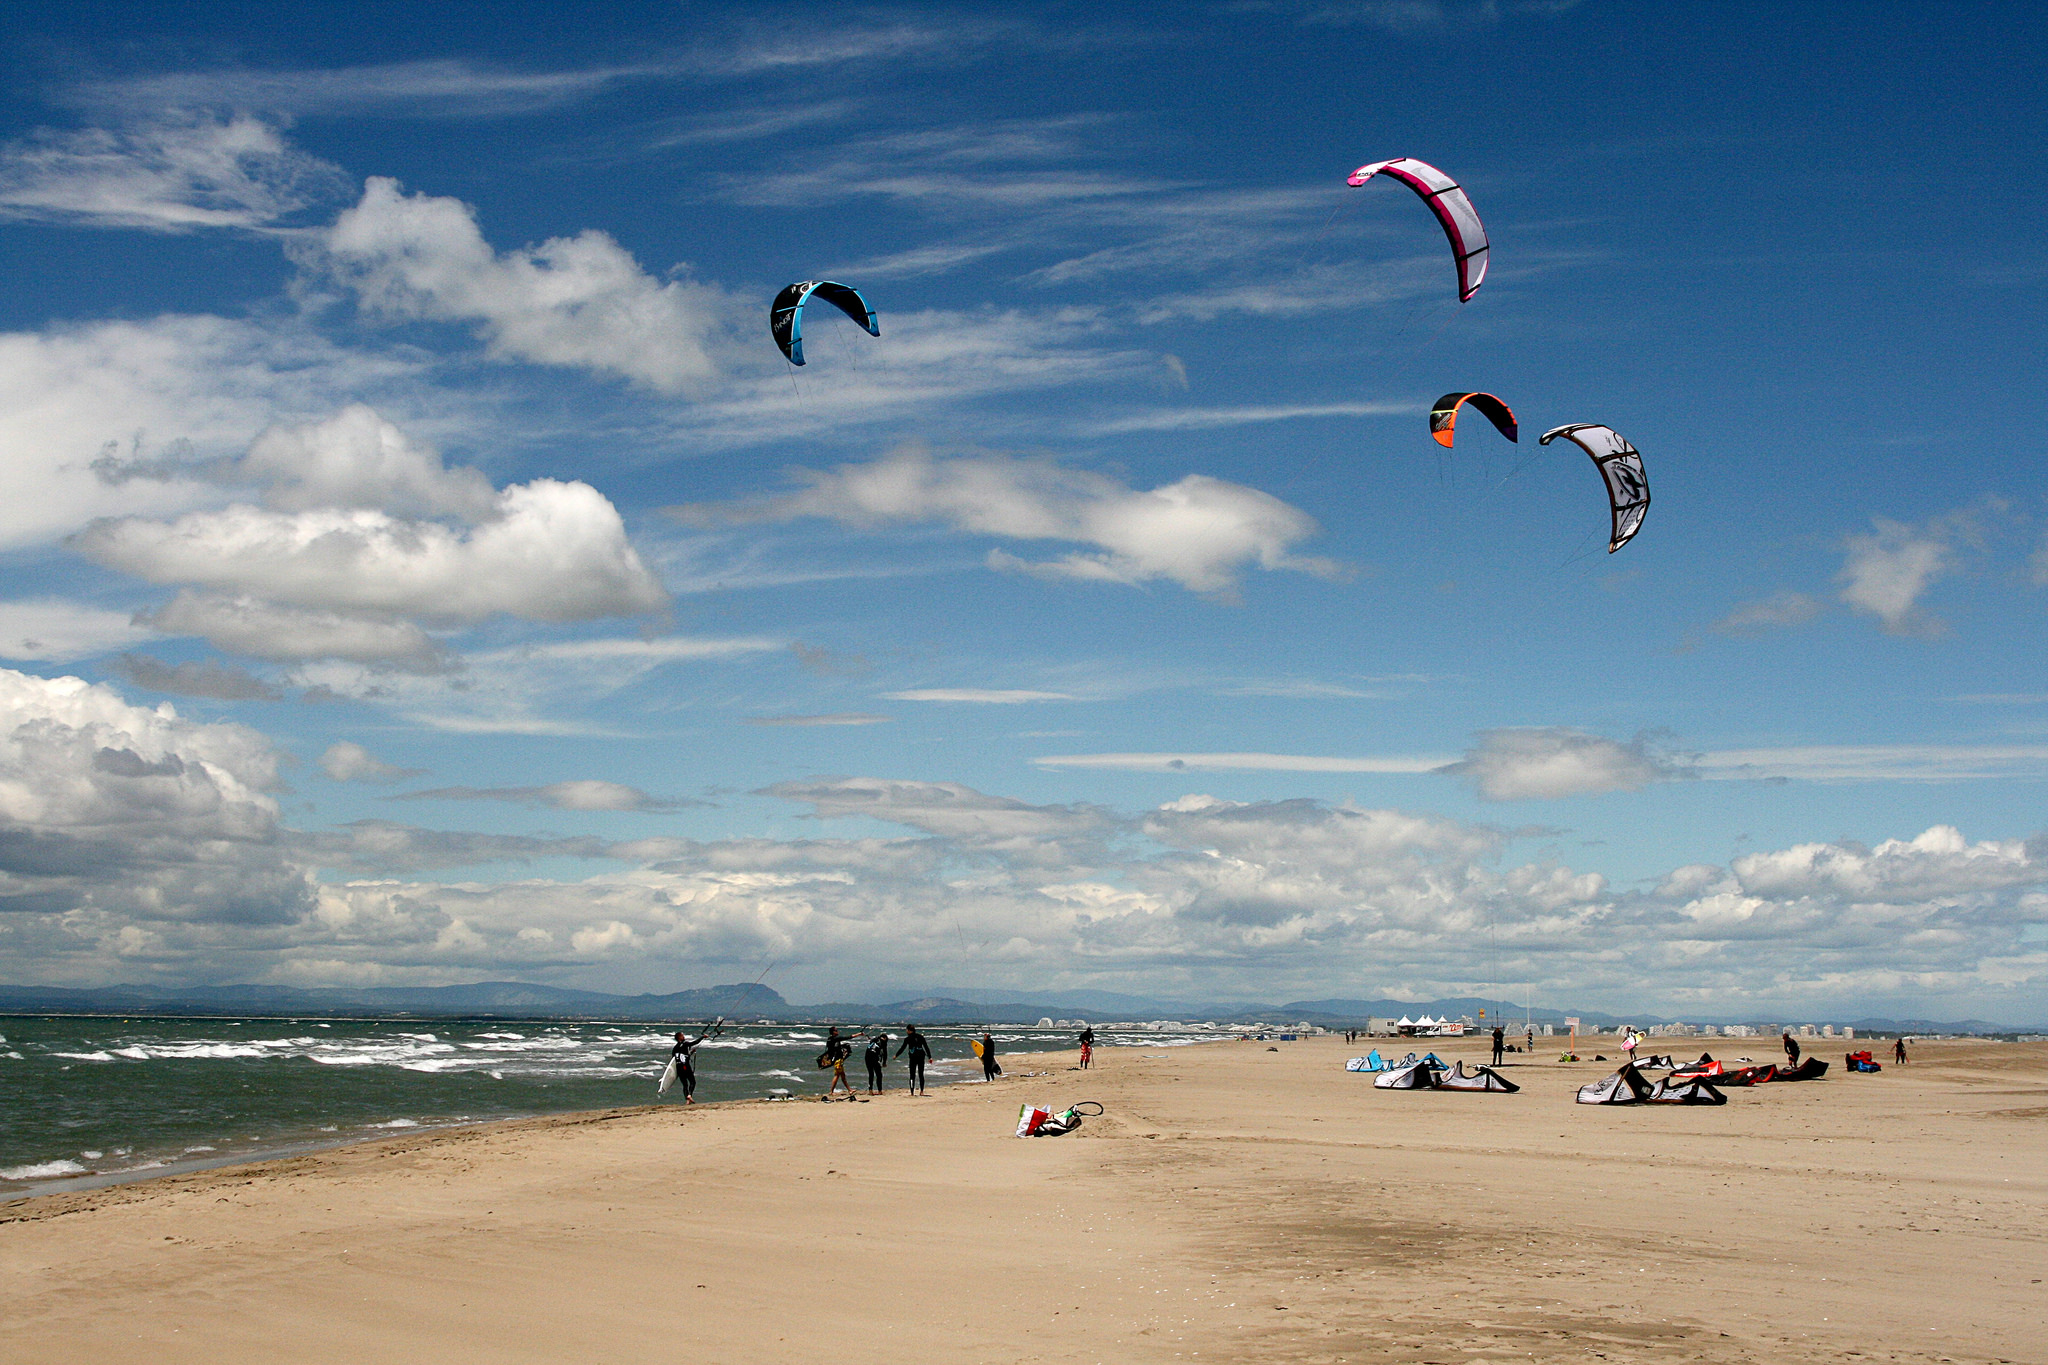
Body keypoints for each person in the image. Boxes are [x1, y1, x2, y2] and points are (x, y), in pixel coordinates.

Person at [668, 1027, 708, 1104]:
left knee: (685, 1085)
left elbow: (676, 1058)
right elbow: (695, 1042)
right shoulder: (685, 1044)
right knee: (692, 1082)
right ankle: (689, 1095)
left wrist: (691, 1052)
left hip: (679, 1068)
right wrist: (703, 1037)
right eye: (682, 1036)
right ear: (679, 1038)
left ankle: (687, 1100)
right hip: (685, 1066)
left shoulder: (675, 1048)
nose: (684, 1037)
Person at [822, 1026, 859, 1099]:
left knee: (842, 1075)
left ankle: (849, 1090)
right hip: (837, 1060)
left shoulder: (830, 1039)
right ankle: (832, 1091)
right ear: (833, 1032)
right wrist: (859, 1034)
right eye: (836, 1030)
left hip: (838, 1060)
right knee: (837, 1075)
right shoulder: (835, 1039)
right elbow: (848, 1037)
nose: (837, 1031)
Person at [896, 1024, 934, 1095]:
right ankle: (921, 1091)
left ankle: (912, 1092)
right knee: (921, 1074)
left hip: (913, 1058)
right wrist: (930, 1057)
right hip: (921, 1057)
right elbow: (926, 1047)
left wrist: (896, 1055)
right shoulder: (920, 1037)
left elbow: (902, 1048)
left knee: (912, 1075)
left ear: (909, 1030)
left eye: (907, 1030)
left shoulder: (907, 1039)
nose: (906, 1031)